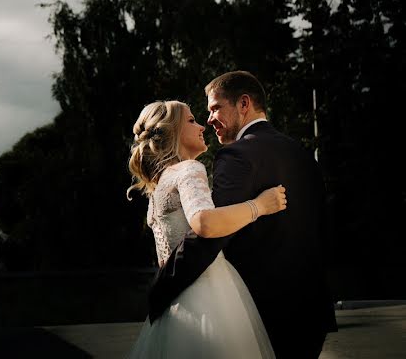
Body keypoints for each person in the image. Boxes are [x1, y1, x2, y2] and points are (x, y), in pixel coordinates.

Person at [148, 71, 337, 359]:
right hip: (313, 310)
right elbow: (323, 228)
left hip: (264, 312)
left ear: (243, 104)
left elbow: (212, 234)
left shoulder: (237, 155)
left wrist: (164, 285)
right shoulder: (300, 152)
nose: (209, 119)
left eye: (214, 108)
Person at [126, 99, 286, 358]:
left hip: (174, 302)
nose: (202, 126)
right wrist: (260, 206)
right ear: (172, 131)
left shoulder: (159, 185)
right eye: (191, 120)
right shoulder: (188, 169)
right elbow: (205, 223)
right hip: (206, 294)